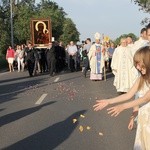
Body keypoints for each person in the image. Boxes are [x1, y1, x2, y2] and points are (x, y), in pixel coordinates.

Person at [93, 45, 150, 150]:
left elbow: (146, 98)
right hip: (144, 120)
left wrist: (123, 106)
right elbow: (128, 95)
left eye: (139, 63)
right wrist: (109, 101)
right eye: (136, 64)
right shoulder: (141, 79)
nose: (137, 67)